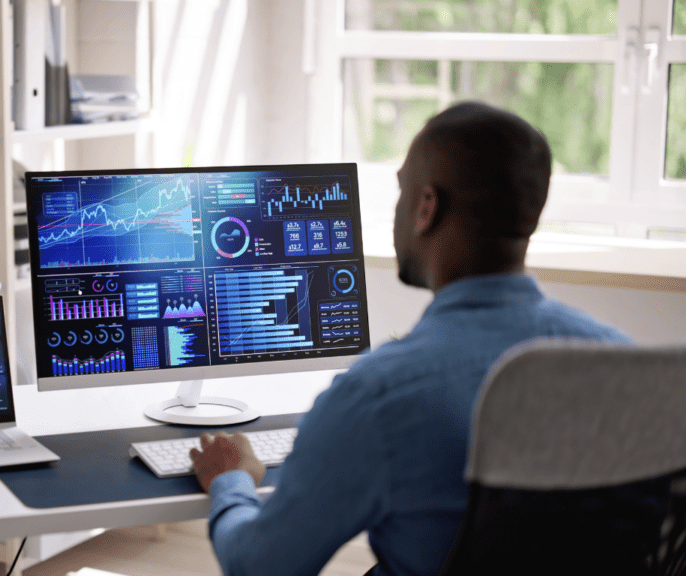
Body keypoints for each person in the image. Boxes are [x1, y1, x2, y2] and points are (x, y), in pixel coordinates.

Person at [189, 102, 632, 576]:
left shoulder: (381, 395)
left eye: (401, 190)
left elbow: (261, 567)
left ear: (426, 207)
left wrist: (232, 481)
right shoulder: (624, 364)